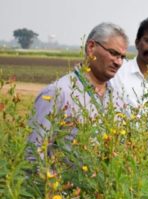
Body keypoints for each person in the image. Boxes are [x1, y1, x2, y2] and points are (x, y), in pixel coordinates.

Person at [28, 22, 128, 159]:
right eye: (113, 53)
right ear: (91, 47)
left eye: (122, 57)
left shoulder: (118, 98)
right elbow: (33, 154)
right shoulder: (58, 93)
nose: (118, 62)